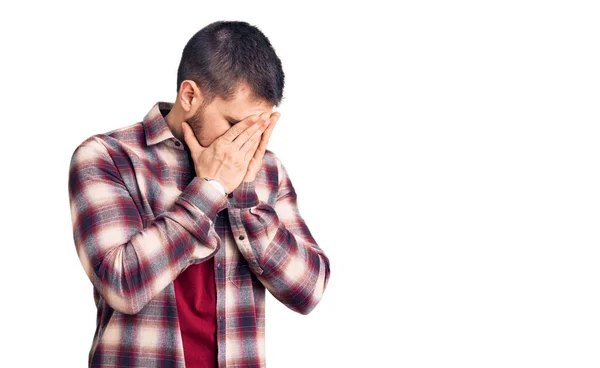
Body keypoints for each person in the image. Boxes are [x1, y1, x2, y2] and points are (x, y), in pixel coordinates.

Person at [68, 20, 331, 368]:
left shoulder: (265, 170)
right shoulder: (107, 157)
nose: (246, 143)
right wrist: (210, 190)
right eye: (236, 125)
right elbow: (122, 286)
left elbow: (308, 291)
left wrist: (244, 197)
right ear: (189, 96)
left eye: (258, 127)